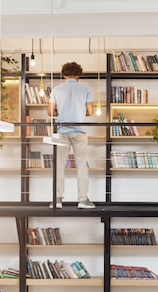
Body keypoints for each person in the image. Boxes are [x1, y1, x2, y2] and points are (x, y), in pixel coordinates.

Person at [47, 61, 95, 209]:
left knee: (59, 166)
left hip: (61, 132)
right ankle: (82, 200)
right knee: (81, 165)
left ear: (64, 74)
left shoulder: (56, 90)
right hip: (79, 132)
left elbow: (50, 112)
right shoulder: (85, 89)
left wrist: (59, 112)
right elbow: (91, 112)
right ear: (78, 75)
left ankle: (57, 200)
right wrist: (81, 111)